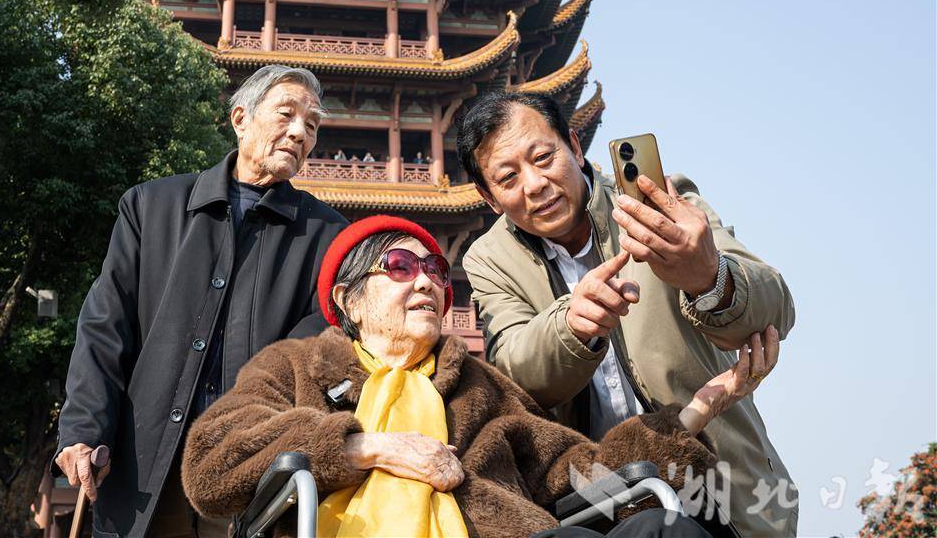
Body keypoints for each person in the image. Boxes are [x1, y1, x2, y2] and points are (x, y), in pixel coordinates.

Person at [182, 216, 779, 538]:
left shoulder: (481, 385)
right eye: (399, 266)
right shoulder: (292, 367)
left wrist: (698, 410)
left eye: (435, 270)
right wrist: (366, 448)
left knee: (663, 527)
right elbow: (211, 459)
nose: (426, 280)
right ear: (349, 300)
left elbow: (584, 471)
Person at [456, 90, 796, 536]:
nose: (534, 184)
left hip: (721, 483)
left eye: (543, 157)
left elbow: (776, 307)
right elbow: (515, 372)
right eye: (507, 177)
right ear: (489, 197)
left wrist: (709, 275)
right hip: (593, 505)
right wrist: (570, 328)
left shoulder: (662, 202)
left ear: (574, 147)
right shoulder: (489, 260)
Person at [54, 65, 348, 538]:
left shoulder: (328, 237)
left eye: (312, 125)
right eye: (287, 114)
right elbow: (105, 326)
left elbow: (312, 354)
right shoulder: (150, 207)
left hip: (250, 471)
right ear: (240, 118)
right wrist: (84, 429)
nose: (300, 133)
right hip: (143, 461)